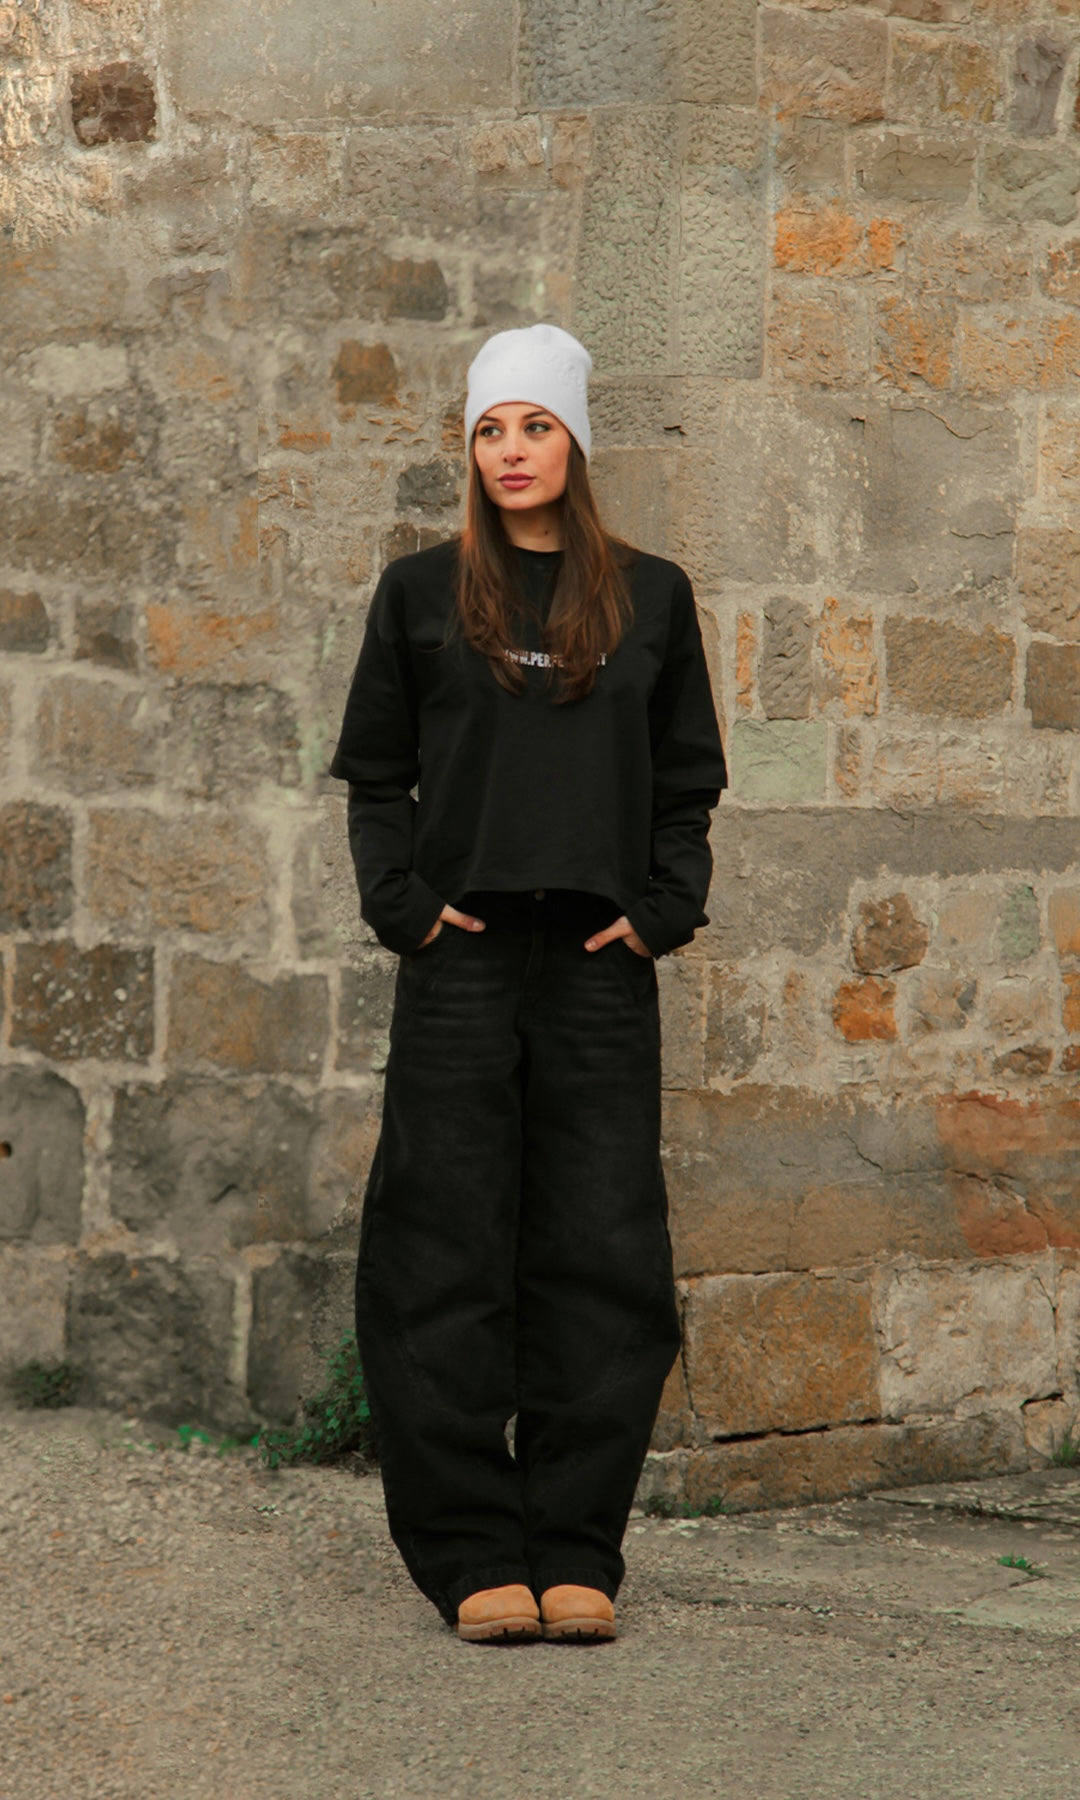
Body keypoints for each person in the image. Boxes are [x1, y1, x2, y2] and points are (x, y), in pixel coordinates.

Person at [329, 322, 727, 1645]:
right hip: (464, 962)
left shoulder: (653, 597)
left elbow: (687, 783)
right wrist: (404, 909)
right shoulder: (419, 592)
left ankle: (574, 1547)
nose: (511, 450)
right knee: (440, 1249)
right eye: (490, 429)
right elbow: (376, 777)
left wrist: (664, 912)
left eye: (536, 426)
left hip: (598, 968)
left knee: (601, 1254)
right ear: (471, 446)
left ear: (575, 442)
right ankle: (469, 1550)